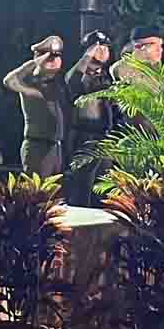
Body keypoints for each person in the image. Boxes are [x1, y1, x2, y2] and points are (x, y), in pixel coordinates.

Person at [4, 36, 70, 177]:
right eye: (48, 57)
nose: (53, 61)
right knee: (37, 189)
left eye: (56, 56)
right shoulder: (30, 82)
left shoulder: (58, 84)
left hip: (56, 147)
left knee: (56, 189)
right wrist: (35, 62)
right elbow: (9, 81)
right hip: (37, 147)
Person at [64, 29, 114, 206]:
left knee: (103, 184)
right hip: (85, 134)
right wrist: (88, 55)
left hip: (106, 135)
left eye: (105, 48)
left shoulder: (107, 76)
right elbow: (72, 80)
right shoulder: (80, 75)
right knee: (83, 183)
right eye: (98, 47)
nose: (102, 51)